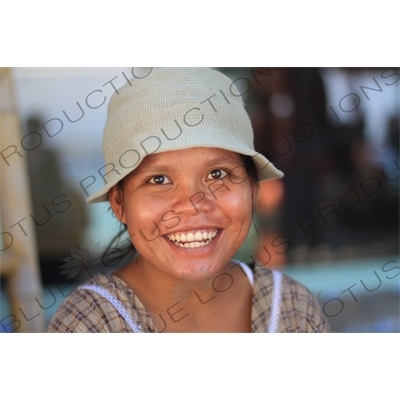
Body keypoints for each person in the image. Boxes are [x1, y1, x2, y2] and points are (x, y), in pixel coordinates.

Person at [47, 68, 332, 333]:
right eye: (159, 180)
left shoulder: (293, 308)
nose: (194, 203)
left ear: (252, 188)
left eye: (217, 174)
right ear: (119, 203)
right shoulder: (90, 324)